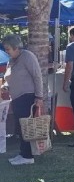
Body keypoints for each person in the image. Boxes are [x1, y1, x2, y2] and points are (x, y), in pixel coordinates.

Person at [2, 34, 44, 165]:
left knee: (26, 127)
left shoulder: (27, 56)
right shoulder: (12, 60)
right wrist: (6, 86)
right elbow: (10, 77)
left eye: (8, 49)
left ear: (16, 47)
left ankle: (27, 156)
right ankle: (23, 153)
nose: (7, 52)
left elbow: (37, 76)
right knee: (20, 127)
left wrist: (39, 96)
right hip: (16, 98)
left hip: (27, 96)